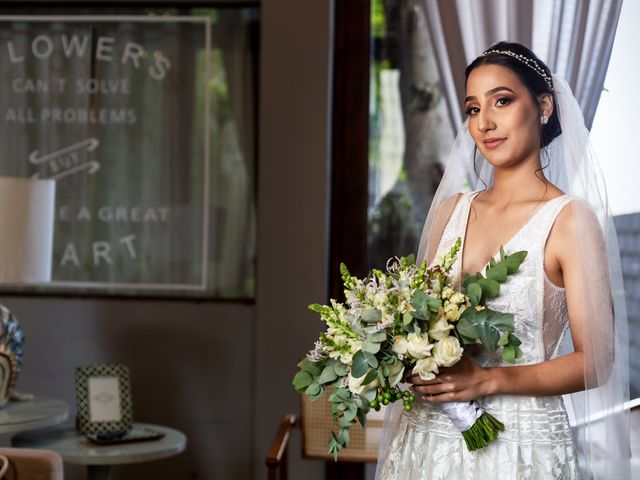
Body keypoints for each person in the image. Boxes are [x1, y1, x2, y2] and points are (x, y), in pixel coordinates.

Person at [376, 41, 630, 479]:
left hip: (519, 449)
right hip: (426, 442)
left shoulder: (570, 221)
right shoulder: (449, 212)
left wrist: (487, 380)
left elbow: (597, 361)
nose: (485, 123)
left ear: (544, 106)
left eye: (502, 101)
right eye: (473, 109)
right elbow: (415, 323)